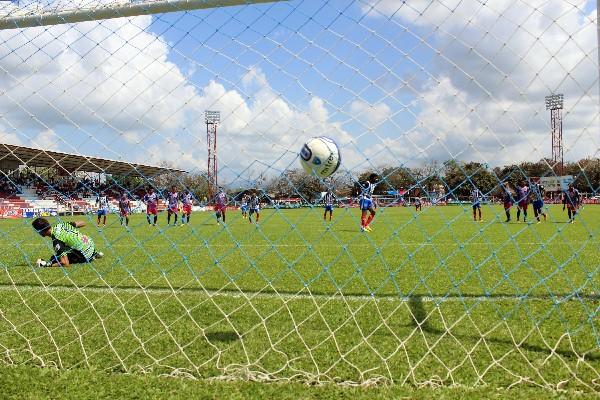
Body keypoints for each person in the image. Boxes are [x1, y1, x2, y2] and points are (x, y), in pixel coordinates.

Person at [32, 217, 103, 268]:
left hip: (85, 255)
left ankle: (90, 257)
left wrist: (48, 265)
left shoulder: (56, 240)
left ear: (40, 231)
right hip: (90, 244)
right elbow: (83, 223)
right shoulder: (61, 225)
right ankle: (94, 254)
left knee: (54, 258)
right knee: (67, 248)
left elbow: (65, 263)